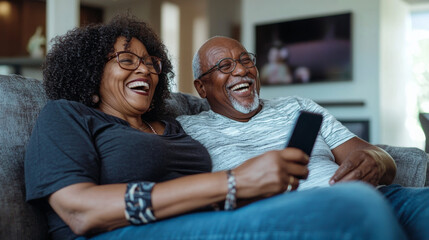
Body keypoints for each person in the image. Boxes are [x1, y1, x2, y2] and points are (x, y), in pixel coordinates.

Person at [24, 16, 407, 240]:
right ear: (91, 72)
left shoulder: (171, 127)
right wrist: (233, 183)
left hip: (205, 220)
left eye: (151, 62)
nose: (144, 69)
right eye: (126, 60)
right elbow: (78, 211)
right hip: (120, 231)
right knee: (354, 207)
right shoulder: (67, 116)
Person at [177, 36, 429, 240]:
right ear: (201, 88)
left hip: (383, 198)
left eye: (246, 60)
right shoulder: (187, 130)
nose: (242, 70)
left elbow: (377, 157)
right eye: (224, 66)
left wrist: (376, 161)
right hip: (300, 216)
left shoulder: (298, 106)